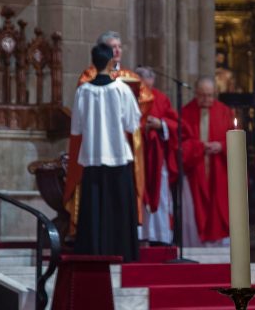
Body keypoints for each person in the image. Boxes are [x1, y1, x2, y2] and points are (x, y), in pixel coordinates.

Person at [64, 31, 153, 239]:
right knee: (115, 199)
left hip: (100, 150)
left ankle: (95, 242)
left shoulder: (121, 80)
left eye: (120, 47)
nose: (117, 51)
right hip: (112, 149)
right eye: (113, 47)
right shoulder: (94, 80)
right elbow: (132, 122)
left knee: (96, 201)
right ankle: (119, 242)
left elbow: (76, 127)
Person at [70, 43, 140, 262]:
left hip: (92, 157)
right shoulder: (121, 89)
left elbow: (76, 128)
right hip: (117, 156)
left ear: (93, 62)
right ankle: (122, 251)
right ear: (111, 62)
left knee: (93, 209)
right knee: (118, 209)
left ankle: (93, 252)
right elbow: (132, 124)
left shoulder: (83, 91)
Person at [181, 77, 233, 246]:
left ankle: (220, 243)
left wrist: (221, 146)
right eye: (202, 95)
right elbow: (180, 143)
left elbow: (235, 139)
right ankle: (197, 244)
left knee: (219, 206)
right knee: (197, 208)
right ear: (196, 93)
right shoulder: (185, 112)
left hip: (219, 169)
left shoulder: (225, 111)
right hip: (196, 170)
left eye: (210, 95)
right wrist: (200, 147)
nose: (207, 99)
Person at [135, 66, 179, 245]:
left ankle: (159, 237)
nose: (145, 88)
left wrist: (161, 124)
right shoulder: (130, 96)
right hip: (136, 156)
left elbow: (176, 124)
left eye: (148, 84)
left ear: (153, 82)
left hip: (157, 158)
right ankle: (139, 235)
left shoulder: (161, 98)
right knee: (137, 195)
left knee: (159, 197)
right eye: (141, 84)